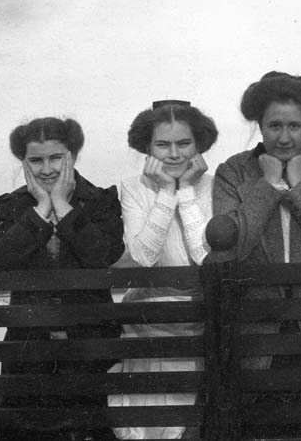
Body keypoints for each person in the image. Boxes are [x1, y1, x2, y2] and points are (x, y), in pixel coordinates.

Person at [212, 71, 301, 436]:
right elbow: (233, 248)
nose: (285, 137)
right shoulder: (233, 171)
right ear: (259, 125)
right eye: (275, 125)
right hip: (257, 333)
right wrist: (269, 185)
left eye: (295, 125)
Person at [0, 117, 124, 441]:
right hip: (30, 351)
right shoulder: (12, 206)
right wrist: (41, 209)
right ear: (24, 163)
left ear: (72, 156)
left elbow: (103, 255)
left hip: (91, 349)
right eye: (35, 160)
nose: (47, 169)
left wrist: (64, 208)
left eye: (56, 158)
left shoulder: (100, 201)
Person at [108, 100, 218, 440]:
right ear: (148, 148)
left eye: (183, 144)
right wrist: (166, 193)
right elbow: (143, 254)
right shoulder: (131, 186)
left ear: (198, 145)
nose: (174, 154)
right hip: (148, 318)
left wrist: (186, 192)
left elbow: (204, 255)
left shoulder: (212, 184)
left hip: (199, 317)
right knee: (143, 418)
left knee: (188, 418)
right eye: (163, 144)